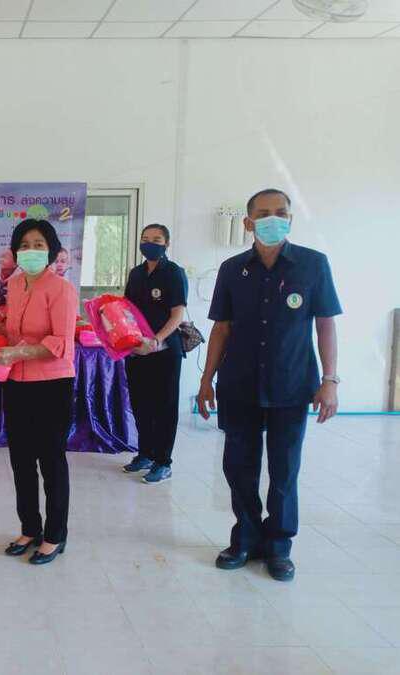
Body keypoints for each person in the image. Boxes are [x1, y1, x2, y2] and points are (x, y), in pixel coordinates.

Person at [198, 189, 341, 582]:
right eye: (263, 214)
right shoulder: (232, 269)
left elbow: (325, 324)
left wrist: (329, 380)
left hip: (291, 385)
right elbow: (221, 328)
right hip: (239, 384)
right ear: (248, 223)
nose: (273, 219)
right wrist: (206, 380)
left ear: (290, 219)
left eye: (281, 212)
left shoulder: (313, 264)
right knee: (239, 467)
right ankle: (245, 539)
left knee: (284, 470)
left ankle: (278, 546)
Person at [0, 219, 78, 565]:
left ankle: (55, 536)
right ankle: (29, 529)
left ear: (52, 250)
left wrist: (18, 352)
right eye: (24, 245)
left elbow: (60, 342)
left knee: (51, 462)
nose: (31, 251)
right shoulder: (14, 284)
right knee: (21, 461)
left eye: (39, 244)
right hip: (16, 383)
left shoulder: (61, 289)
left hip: (52, 385)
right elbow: (13, 329)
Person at [122, 224, 188, 484]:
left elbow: (177, 315)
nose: (150, 243)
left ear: (166, 244)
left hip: (165, 350)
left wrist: (157, 339)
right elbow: (127, 310)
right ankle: (145, 454)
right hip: (138, 349)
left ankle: (163, 462)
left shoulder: (173, 273)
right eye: (145, 238)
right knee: (141, 404)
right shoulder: (136, 274)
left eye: (156, 239)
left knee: (164, 407)